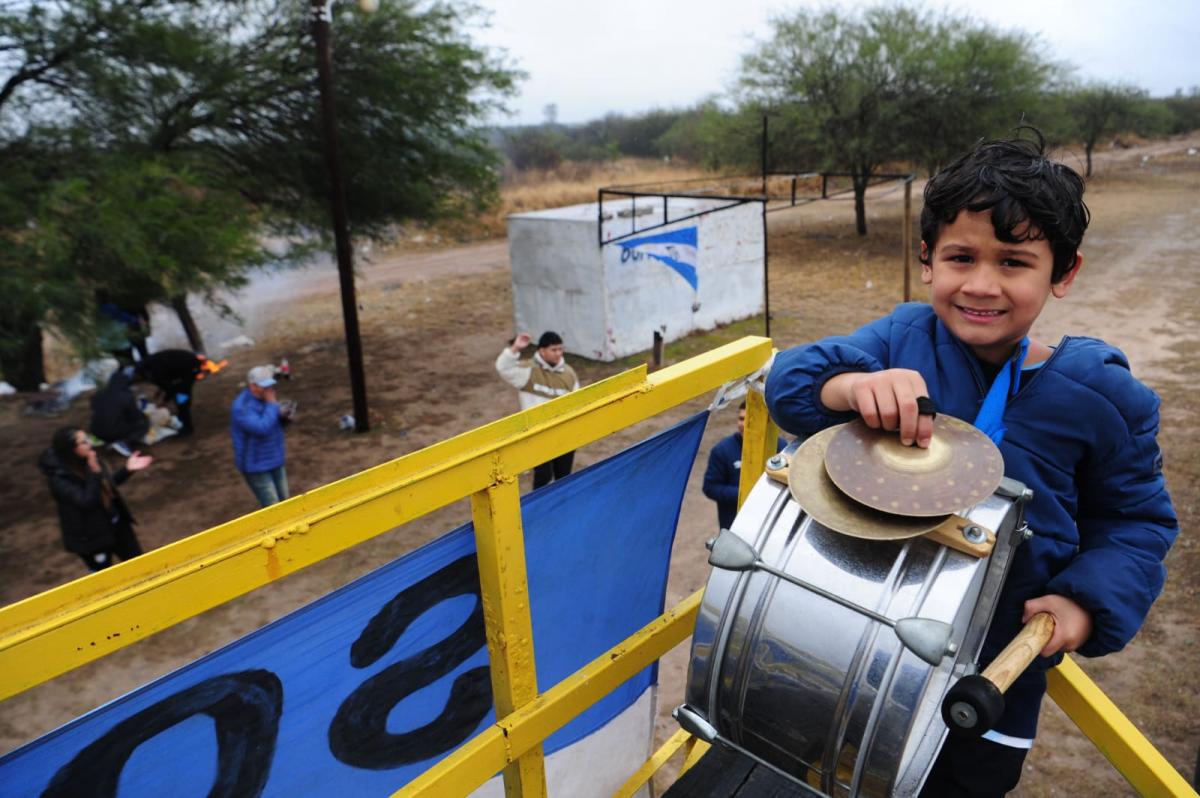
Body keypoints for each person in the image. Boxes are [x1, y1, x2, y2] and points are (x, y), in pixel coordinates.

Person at [763, 133, 1177, 797]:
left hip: (990, 686)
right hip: (853, 652)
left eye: (1014, 262)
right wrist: (844, 389)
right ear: (927, 260)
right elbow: (787, 383)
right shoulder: (899, 339)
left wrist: (1084, 603)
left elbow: (1135, 522)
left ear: (1062, 274)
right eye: (961, 257)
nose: (981, 285)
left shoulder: (1104, 397)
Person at [39, 426, 153, 572]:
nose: (90, 444)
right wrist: (94, 472)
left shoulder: (90, 458)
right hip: (92, 539)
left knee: (140, 568)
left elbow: (105, 486)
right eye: (84, 442)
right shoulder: (58, 478)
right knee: (103, 580)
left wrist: (127, 470)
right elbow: (87, 501)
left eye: (88, 439)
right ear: (71, 449)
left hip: (118, 526)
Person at [495, 330, 580, 488]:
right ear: (541, 350)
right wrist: (515, 349)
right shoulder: (527, 371)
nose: (558, 354)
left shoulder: (569, 374)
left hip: (564, 435)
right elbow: (503, 368)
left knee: (564, 478)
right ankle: (539, 511)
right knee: (543, 477)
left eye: (560, 349)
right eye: (553, 350)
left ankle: (561, 507)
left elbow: (577, 404)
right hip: (538, 436)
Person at [702, 401, 787, 530]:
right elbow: (710, 487)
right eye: (742, 419)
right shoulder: (722, 450)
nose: (745, 424)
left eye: (751, 419)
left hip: (769, 526)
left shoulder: (781, 447)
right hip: (735, 526)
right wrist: (746, 493)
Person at [231, 364, 294, 507]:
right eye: (264, 386)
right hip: (255, 465)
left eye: (270, 386)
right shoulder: (242, 407)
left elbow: (272, 424)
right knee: (272, 506)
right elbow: (261, 428)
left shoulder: (266, 399)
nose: (269, 390)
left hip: (275, 458)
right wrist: (273, 406)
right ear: (252, 386)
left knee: (285, 500)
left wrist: (284, 418)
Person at [137, 349, 206, 435]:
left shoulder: (152, 371)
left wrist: (164, 401)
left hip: (190, 367)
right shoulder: (149, 365)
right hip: (187, 363)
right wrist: (161, 392)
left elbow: (170, 388)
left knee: (181, 396)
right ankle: (183, 415)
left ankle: (187, 427)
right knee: (180, 393)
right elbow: (166, 381)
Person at [89, 366, 149, 456]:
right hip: (114, 433)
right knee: (144, 424)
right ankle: (123, 442)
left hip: (96, 431)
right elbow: (135, 418)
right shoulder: (126, 396)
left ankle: (102, 440)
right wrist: (141, 410)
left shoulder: (98, 395)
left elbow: (99, 410)